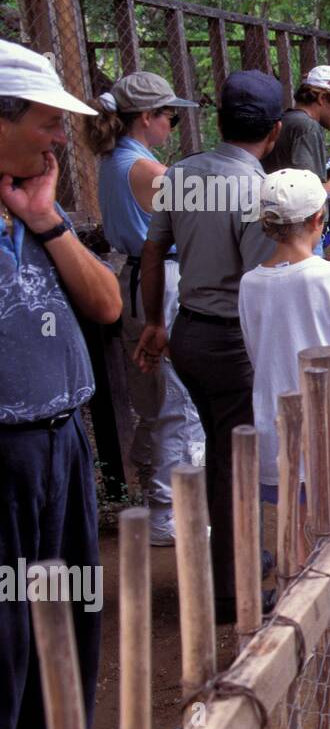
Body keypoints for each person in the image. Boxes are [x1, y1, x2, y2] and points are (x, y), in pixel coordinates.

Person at [0, 38, 121, 729]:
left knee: (70, 620)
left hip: (63, 445)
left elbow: (106, 305)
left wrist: (46, 221)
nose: (57, 138)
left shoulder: (37, 211)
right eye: (47, 122)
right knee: (7, 636)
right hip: (5, 458)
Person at [135, 69, 283, 625]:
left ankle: (237, 557)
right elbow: (259, 281)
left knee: (222, 455)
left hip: (188, 332)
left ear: (219, 121)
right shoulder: (258, 190)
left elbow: (154, 255)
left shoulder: (181, 173)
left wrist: (155, 322)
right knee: (235, 463)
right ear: (273, 131)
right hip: (230, 342)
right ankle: (230, 591)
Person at [237, 169, 330, 624]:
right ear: (319, 219)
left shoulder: (248, 284)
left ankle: (308, 610)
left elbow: (255, 350)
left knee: (299, 521)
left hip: (278, 427)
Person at [89, 71, 205, 547]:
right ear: (147, 119)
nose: (171, 126)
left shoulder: (118, 161)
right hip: (161, 280)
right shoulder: (146, 170)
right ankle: (167, 514)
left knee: (155, 395)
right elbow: (211, 212)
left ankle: (156, 498)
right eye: (170, 117)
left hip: (139, 278)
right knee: (179, 398)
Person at [262, 64, 330, 262]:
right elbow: (302, 199)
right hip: (300, 237)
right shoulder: (308, 126)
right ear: (323, 98)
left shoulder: (287, 121)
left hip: (278, 232)